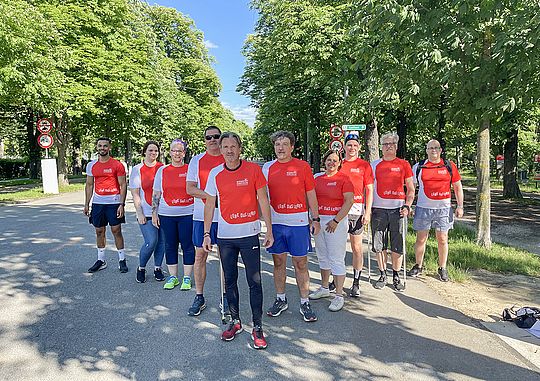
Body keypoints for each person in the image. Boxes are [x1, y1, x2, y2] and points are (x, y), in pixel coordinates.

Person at [203, 132, 273, 350]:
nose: (229, 150)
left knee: (255, 281)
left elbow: (263, 199)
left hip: (249, 233)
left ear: (240, 148)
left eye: (233, 146)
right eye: (225, 146)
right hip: (226, 237)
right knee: (230, 280)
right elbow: (209, 204)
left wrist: (269, 230)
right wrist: (207, 233)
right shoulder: (215, 173)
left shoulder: (253, 170)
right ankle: (235, 321)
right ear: (221, 150)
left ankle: (258, 326)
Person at [263, 130, 320, 322]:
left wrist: (316, 218)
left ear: (292, 147)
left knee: (300, 263)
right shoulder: (268, 168)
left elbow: (311, 193)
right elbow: (261, 196)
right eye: (277, 144)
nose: (280, 148)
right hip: (277, 222)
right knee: (278, 262)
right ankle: (281, 299)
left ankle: (304, 302)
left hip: (298, 222)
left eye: (285, 144)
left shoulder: (303, 166)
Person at [408, 139, 464, 282]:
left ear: (440, 150)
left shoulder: (449, 166)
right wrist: (409, 205)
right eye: (430, 148)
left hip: (444, 209)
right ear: (426, 150)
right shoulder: (418, 167)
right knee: (421, 238)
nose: (433, 150)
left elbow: (457, 187)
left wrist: (460, 205)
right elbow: (411, 189)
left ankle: (442, 268)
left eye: (436, 148)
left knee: (443, 239)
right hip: (423, 207)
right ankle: (418, 265)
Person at [186, 126, 225, 316]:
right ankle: (199, 296)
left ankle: (226, 295)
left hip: (226, 217)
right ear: (204, 140)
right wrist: (213, 198)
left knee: (226, 258)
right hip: (201, 216)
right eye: (209, 137)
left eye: (216, 136)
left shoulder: (228, 157)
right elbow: (190, 188)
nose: (213, 140)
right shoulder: (197, 160)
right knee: (200, 256)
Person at [309, 150, 354, 311]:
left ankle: (339, 295)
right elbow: (310, 198)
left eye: (335, 160)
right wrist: (312, 220)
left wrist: (336, 220)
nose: (331, 163)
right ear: (324, 161)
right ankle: (324, 288)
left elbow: (349, 201)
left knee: (336, 258)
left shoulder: (344, 179)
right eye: (329, 160)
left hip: (336, 221)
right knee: (322, 255)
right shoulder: (317, 178)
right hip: (319, 221)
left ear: (340, 163)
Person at [370, 132, 415, 291]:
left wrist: (408, 205)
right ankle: (382, 274)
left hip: (398, 210)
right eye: (385, 144)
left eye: (391, 144)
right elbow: (368, 189)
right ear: (381, 147)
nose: (388, 146)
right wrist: (367, 209)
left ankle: (396, 275)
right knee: (379, 244)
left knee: (397, 245)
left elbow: (410, 188)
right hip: (379, 209)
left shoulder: (404, 164)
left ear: (396, 146)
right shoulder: (374, 165)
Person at [151, 139, 195, 291]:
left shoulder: (191, 169)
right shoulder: (162, 171)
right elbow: (156, 193)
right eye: (174, 150)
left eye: (180, 151)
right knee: (170, 245)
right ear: (169, 153)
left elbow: (197, 190)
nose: (177, 153)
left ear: (184, 153)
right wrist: (154, 213)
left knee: (188, 245)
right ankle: (173, 277)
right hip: (166, 214)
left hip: (188, 213)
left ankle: (187, 277)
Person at [334, 133, 374, 297]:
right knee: (338, 248)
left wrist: (368, 211)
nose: (352, 148)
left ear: (359, 147)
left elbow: (369, 189)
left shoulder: (364, 165)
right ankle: (336, 279)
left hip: (357, 210)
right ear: (344, 146)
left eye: (355, 145)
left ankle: (356, 282)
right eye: (349, 145)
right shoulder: (339, 163)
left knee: (357, 247)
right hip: (340, 210)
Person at [84, 137, 128, 273]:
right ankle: (101, 260)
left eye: (105, 146)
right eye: (100, 146)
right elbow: (89, 185)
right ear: (97, 147)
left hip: (114, 203)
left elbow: (123, 184)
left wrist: (122, 204)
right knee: (99, 231)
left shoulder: (117, 165)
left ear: (109, 148)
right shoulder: (91, 165)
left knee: (116, 231)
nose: (102, 148)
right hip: (98, 203)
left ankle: (122, 260)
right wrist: (86, 204)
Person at [129, 141, 166, 283]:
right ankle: (141, 268)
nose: (153, 153)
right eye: (150, 150)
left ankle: (158, 268)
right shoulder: (137, 169)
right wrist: (139, 213)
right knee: (151, 241)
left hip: (163, 211)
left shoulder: (162, 168)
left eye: (156, 150)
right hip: (146, 211)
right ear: (144, 151)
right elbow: (135, 193)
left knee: (161, 242)